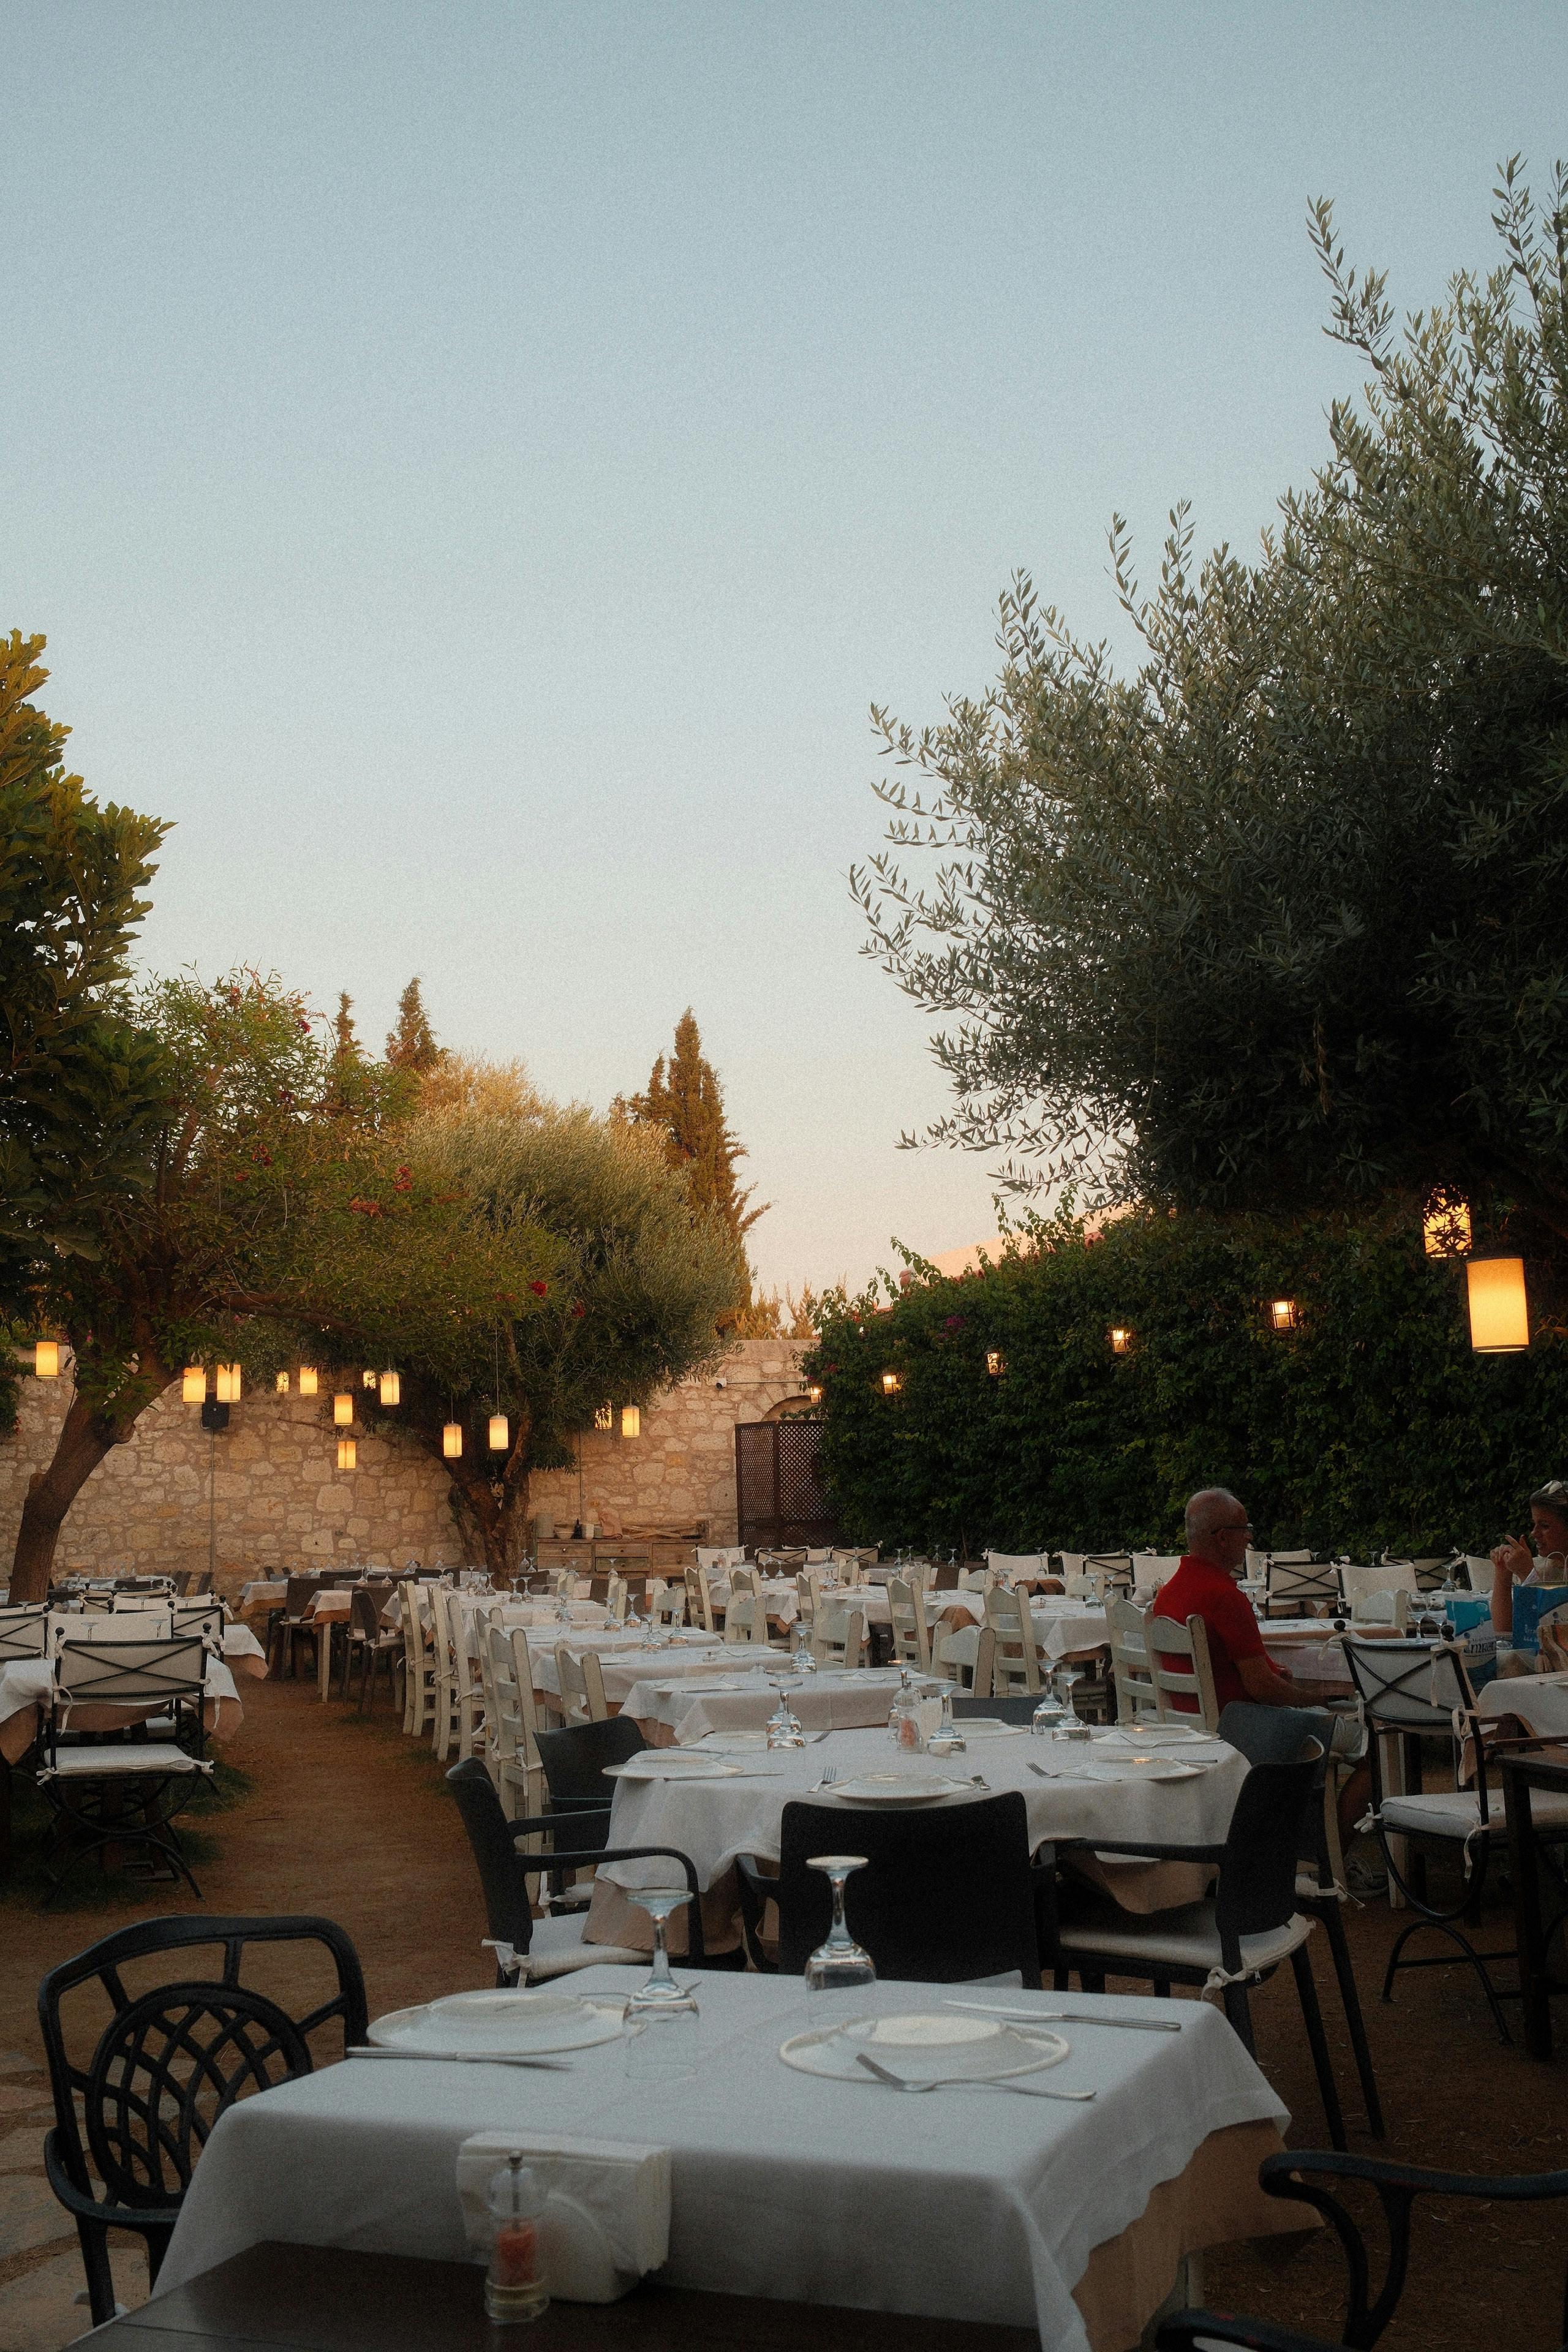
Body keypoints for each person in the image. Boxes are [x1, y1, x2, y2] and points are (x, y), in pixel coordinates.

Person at [1150, 1488, 1305, 1712]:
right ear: (1223, 1537)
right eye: (1244, 1529)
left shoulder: (1167, 1594)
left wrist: (1269, 1669)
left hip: (1187, 1724)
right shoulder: (1225, 1598)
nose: (1249, 1537)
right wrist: (1320, 1702)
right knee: (1347, 1726)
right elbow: (1264, 1689)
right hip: (1238, 1727)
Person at [1488, 1483, 1568, 1638]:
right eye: (1534, 1524)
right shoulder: (1550, 1568)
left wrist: (1528, 1575)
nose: (1534, 1533)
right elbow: (1503, 1633)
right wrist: (1503, 1572)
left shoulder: (1541, 1571)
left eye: (1544, 1526)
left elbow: (1547, 1634)